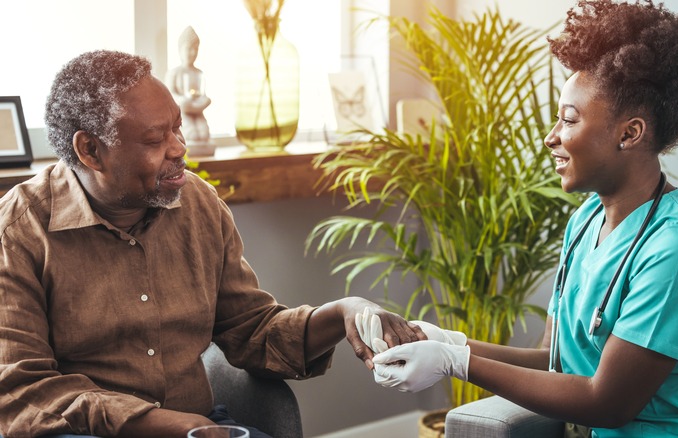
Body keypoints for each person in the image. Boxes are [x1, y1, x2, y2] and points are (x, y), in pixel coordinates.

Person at [362, 1, 678, 436]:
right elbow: (553, 361)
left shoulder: (677, 249)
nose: (550, 137)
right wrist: (447, 342)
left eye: (569, 119)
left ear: (629, 133)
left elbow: (607, 402)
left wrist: (457, 365)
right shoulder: (585, 222)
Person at [0, 49, 423, 438]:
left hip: (202, 427)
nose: (179, 148)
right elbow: (21, 388)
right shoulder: (19, 230)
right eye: (155, 140)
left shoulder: (197, 202)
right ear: (90, 150)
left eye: (178, 128)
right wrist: (162, 424)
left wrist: (344, 312)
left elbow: (251, 329)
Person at [164, 26, 214, 153]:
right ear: (180, 50)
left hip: (197, 110)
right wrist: (183, 102)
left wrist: (204, 101)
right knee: (191, 135)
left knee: (203, 134)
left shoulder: (199, 73)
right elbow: (170, 95)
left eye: (195, 49)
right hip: (182, 112)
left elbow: (202, 94)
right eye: (188, 48)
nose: (192, 52)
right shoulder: (174, 73)